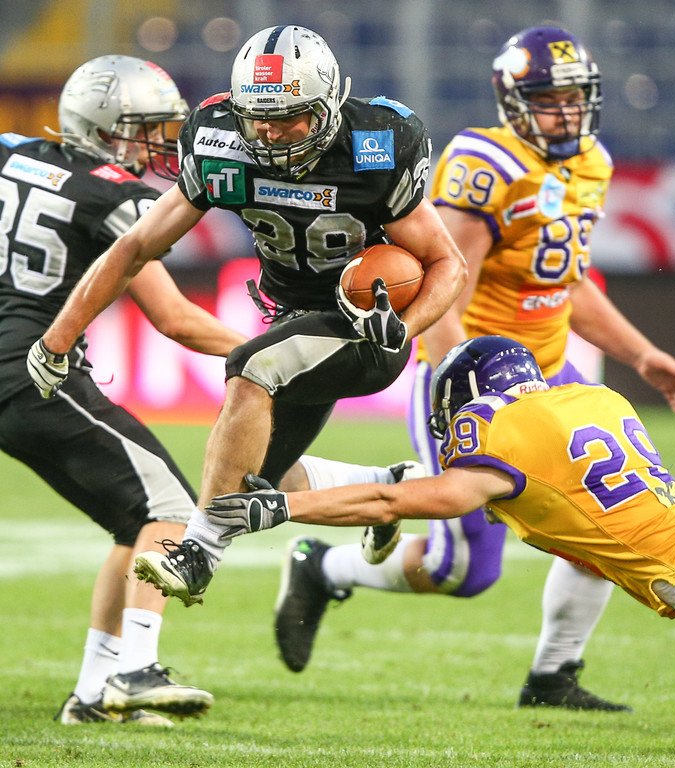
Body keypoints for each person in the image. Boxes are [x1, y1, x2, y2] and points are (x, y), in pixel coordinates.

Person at [269, 24, 675, 710]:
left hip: (552, 375)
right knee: (463, 569)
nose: (566, 112)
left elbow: (565, 282)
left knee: (613, 514)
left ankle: (554, 675)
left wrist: (642, 354)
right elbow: (445, 281)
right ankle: (326, 568)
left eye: (574, 97)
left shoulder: (591, 163)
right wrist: (458, 385)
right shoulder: (487, 164)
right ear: (514, 101)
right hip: (476, 377)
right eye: (550, 99)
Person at [204, 335, 675, 758]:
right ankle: (553, 671)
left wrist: (284, 505)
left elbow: (400, 500)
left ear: (470, 397)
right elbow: (545, 501)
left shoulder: (497, 430)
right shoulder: (593, 398)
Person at [27, 26, 467, 610]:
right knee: (254, 478)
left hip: (364, 326)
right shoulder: (220, 141)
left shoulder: (376, 145)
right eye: (258, 119)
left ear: (328, 105)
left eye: (288, 118)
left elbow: (448, 263)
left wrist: (403, 328)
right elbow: (134, 247)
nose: (270, 133)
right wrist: (58, 338)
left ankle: (198, 552)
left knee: (251, 367)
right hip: (292, 320)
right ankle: (388, 488)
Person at [1, 55, 247, 724]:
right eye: (143, 129)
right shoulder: (110, 195)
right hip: (36, 374)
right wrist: (268, 354)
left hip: (14, 371)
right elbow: (175, 319)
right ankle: (135, 670)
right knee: (173, 510)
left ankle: (92, 694)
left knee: (133, 521)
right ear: (102, 127)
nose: (154, 144)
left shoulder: (15, 154)